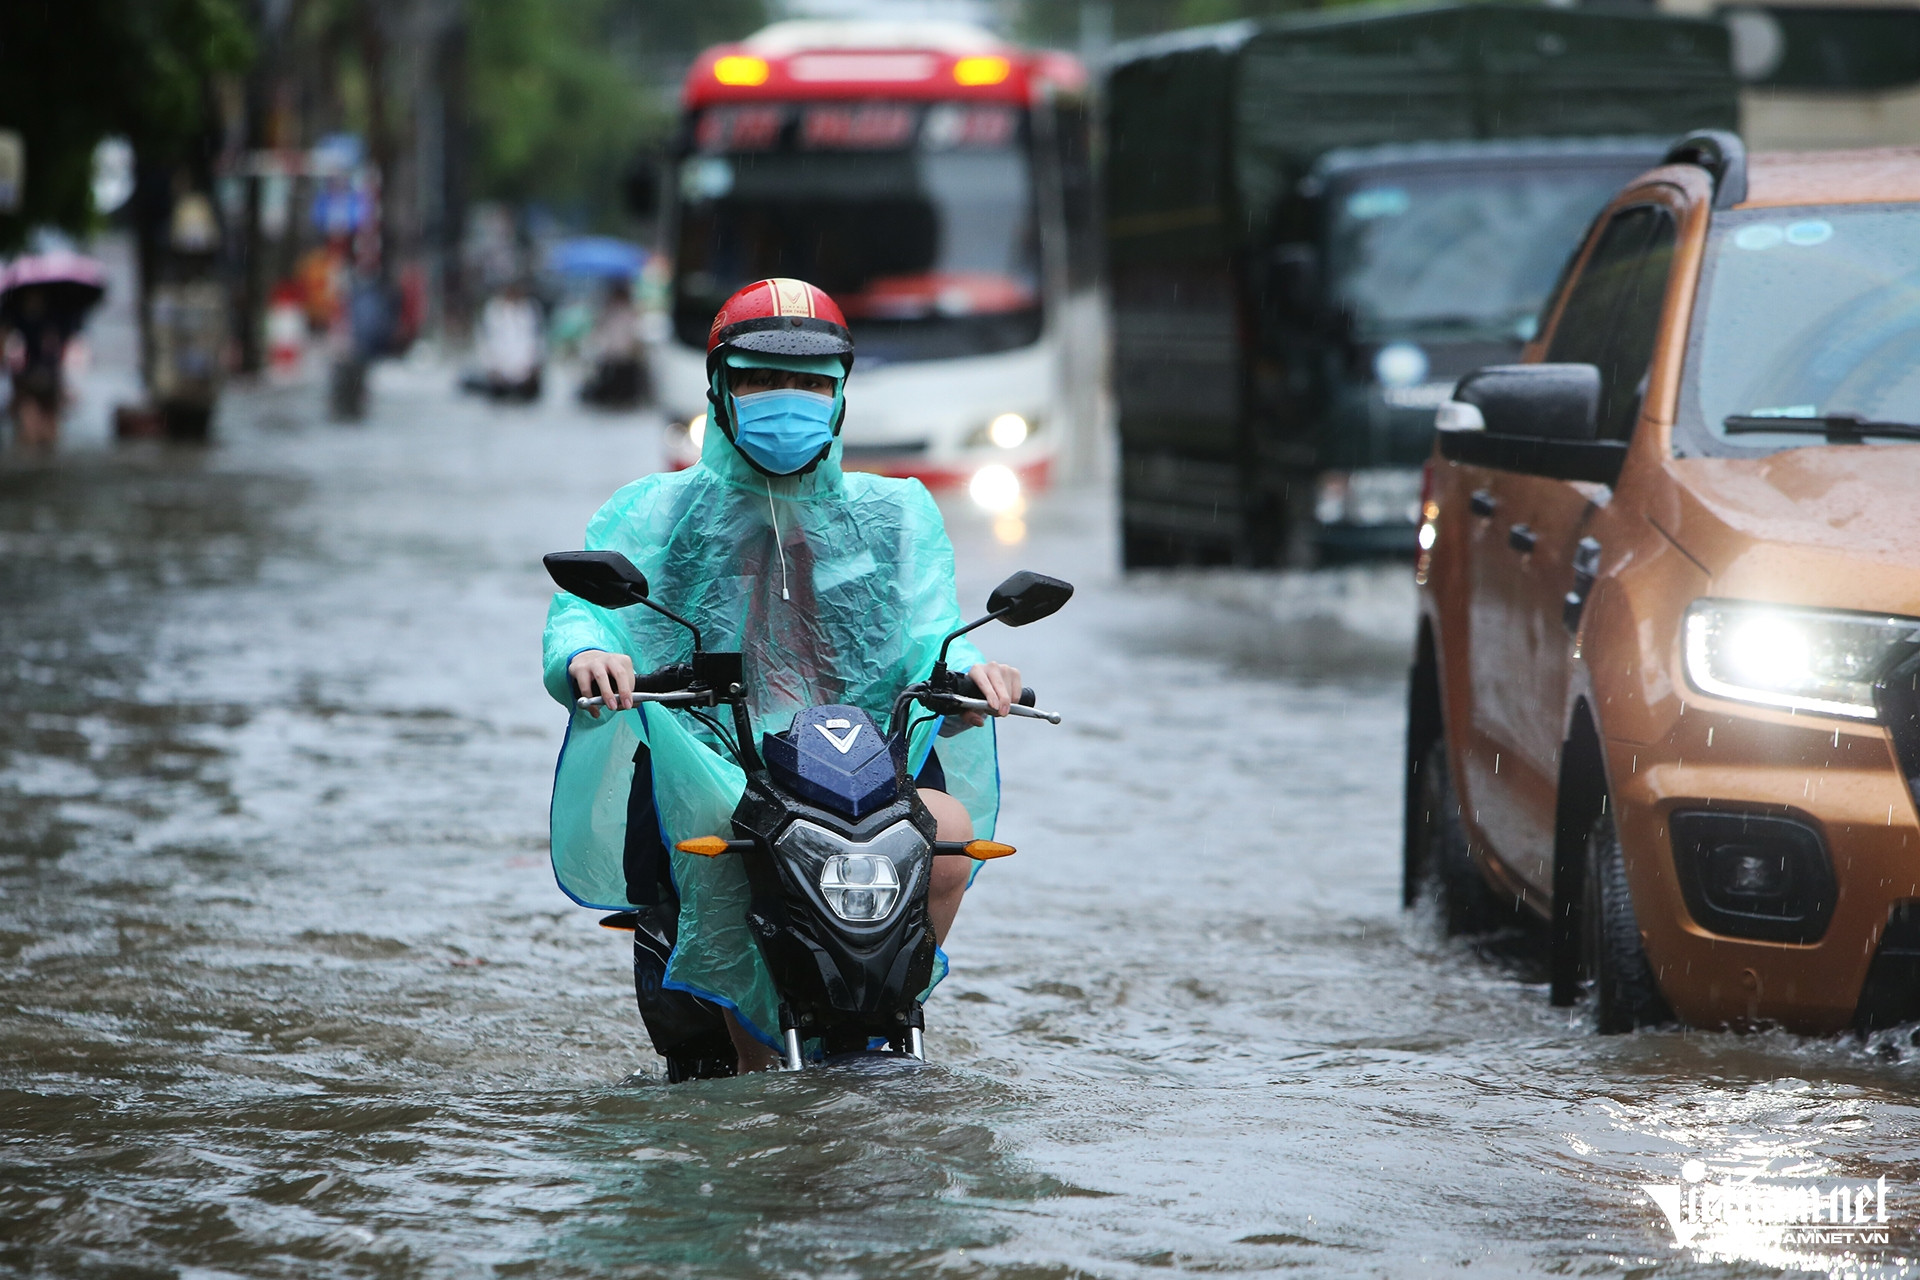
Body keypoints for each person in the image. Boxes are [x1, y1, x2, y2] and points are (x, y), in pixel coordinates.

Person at [542, 278, 1020, 1073]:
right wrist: (588, 656)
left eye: (808, 382)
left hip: (862, 773)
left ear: (838, 397)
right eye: (761, 377)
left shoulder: (896, 513)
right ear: (720, 389)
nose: (785, 398)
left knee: (952, 834)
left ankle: (889, 996)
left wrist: (971, 675)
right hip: (714, 768)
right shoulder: (654, 511)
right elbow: (582, 615)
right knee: (734, 862)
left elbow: (934, 630)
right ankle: (756, 1080)